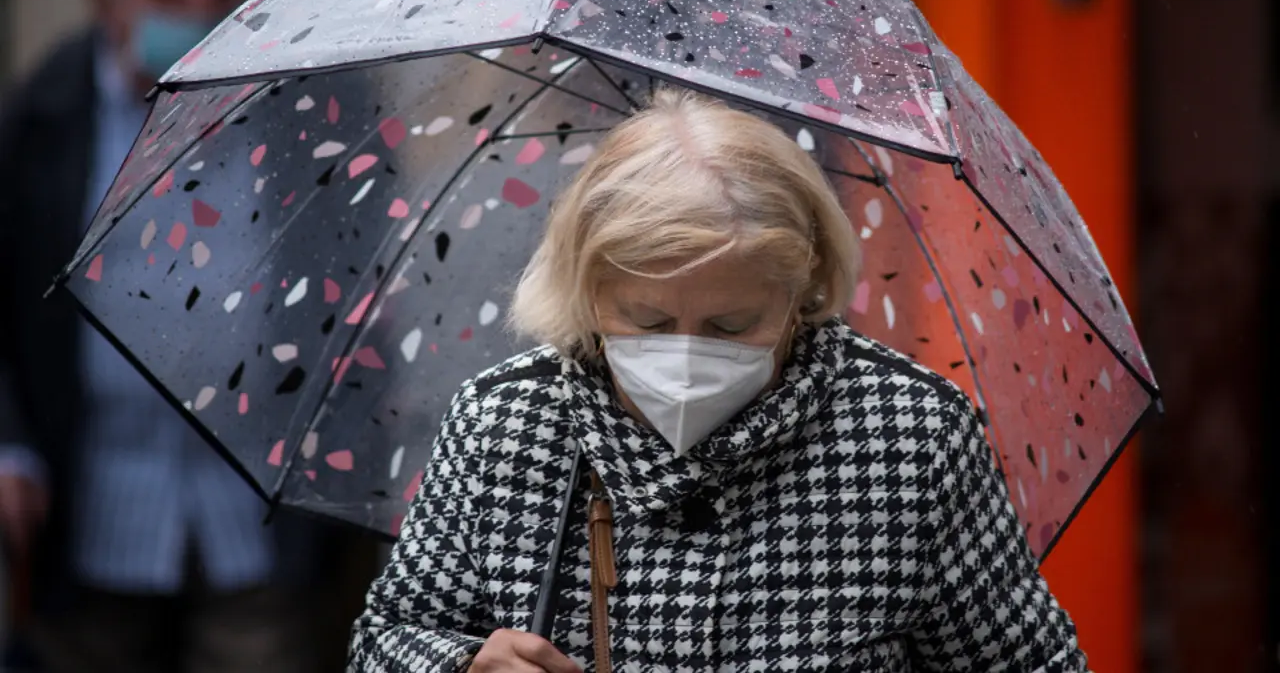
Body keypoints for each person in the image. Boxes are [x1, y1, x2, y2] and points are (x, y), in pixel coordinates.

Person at [347, 89, 1089, 672]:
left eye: (732, 326)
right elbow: (384, 642)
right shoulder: (508, 422)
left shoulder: (909, 436)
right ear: (587, 289)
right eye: (646, 318)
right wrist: (464, 665)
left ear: (803, 294)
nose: (687, 355)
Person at [0, 0, 332, 671]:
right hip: (89, 514)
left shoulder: (295, 104)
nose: (205, 3)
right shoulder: (42, 113)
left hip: (254, 519)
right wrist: (11, 447)